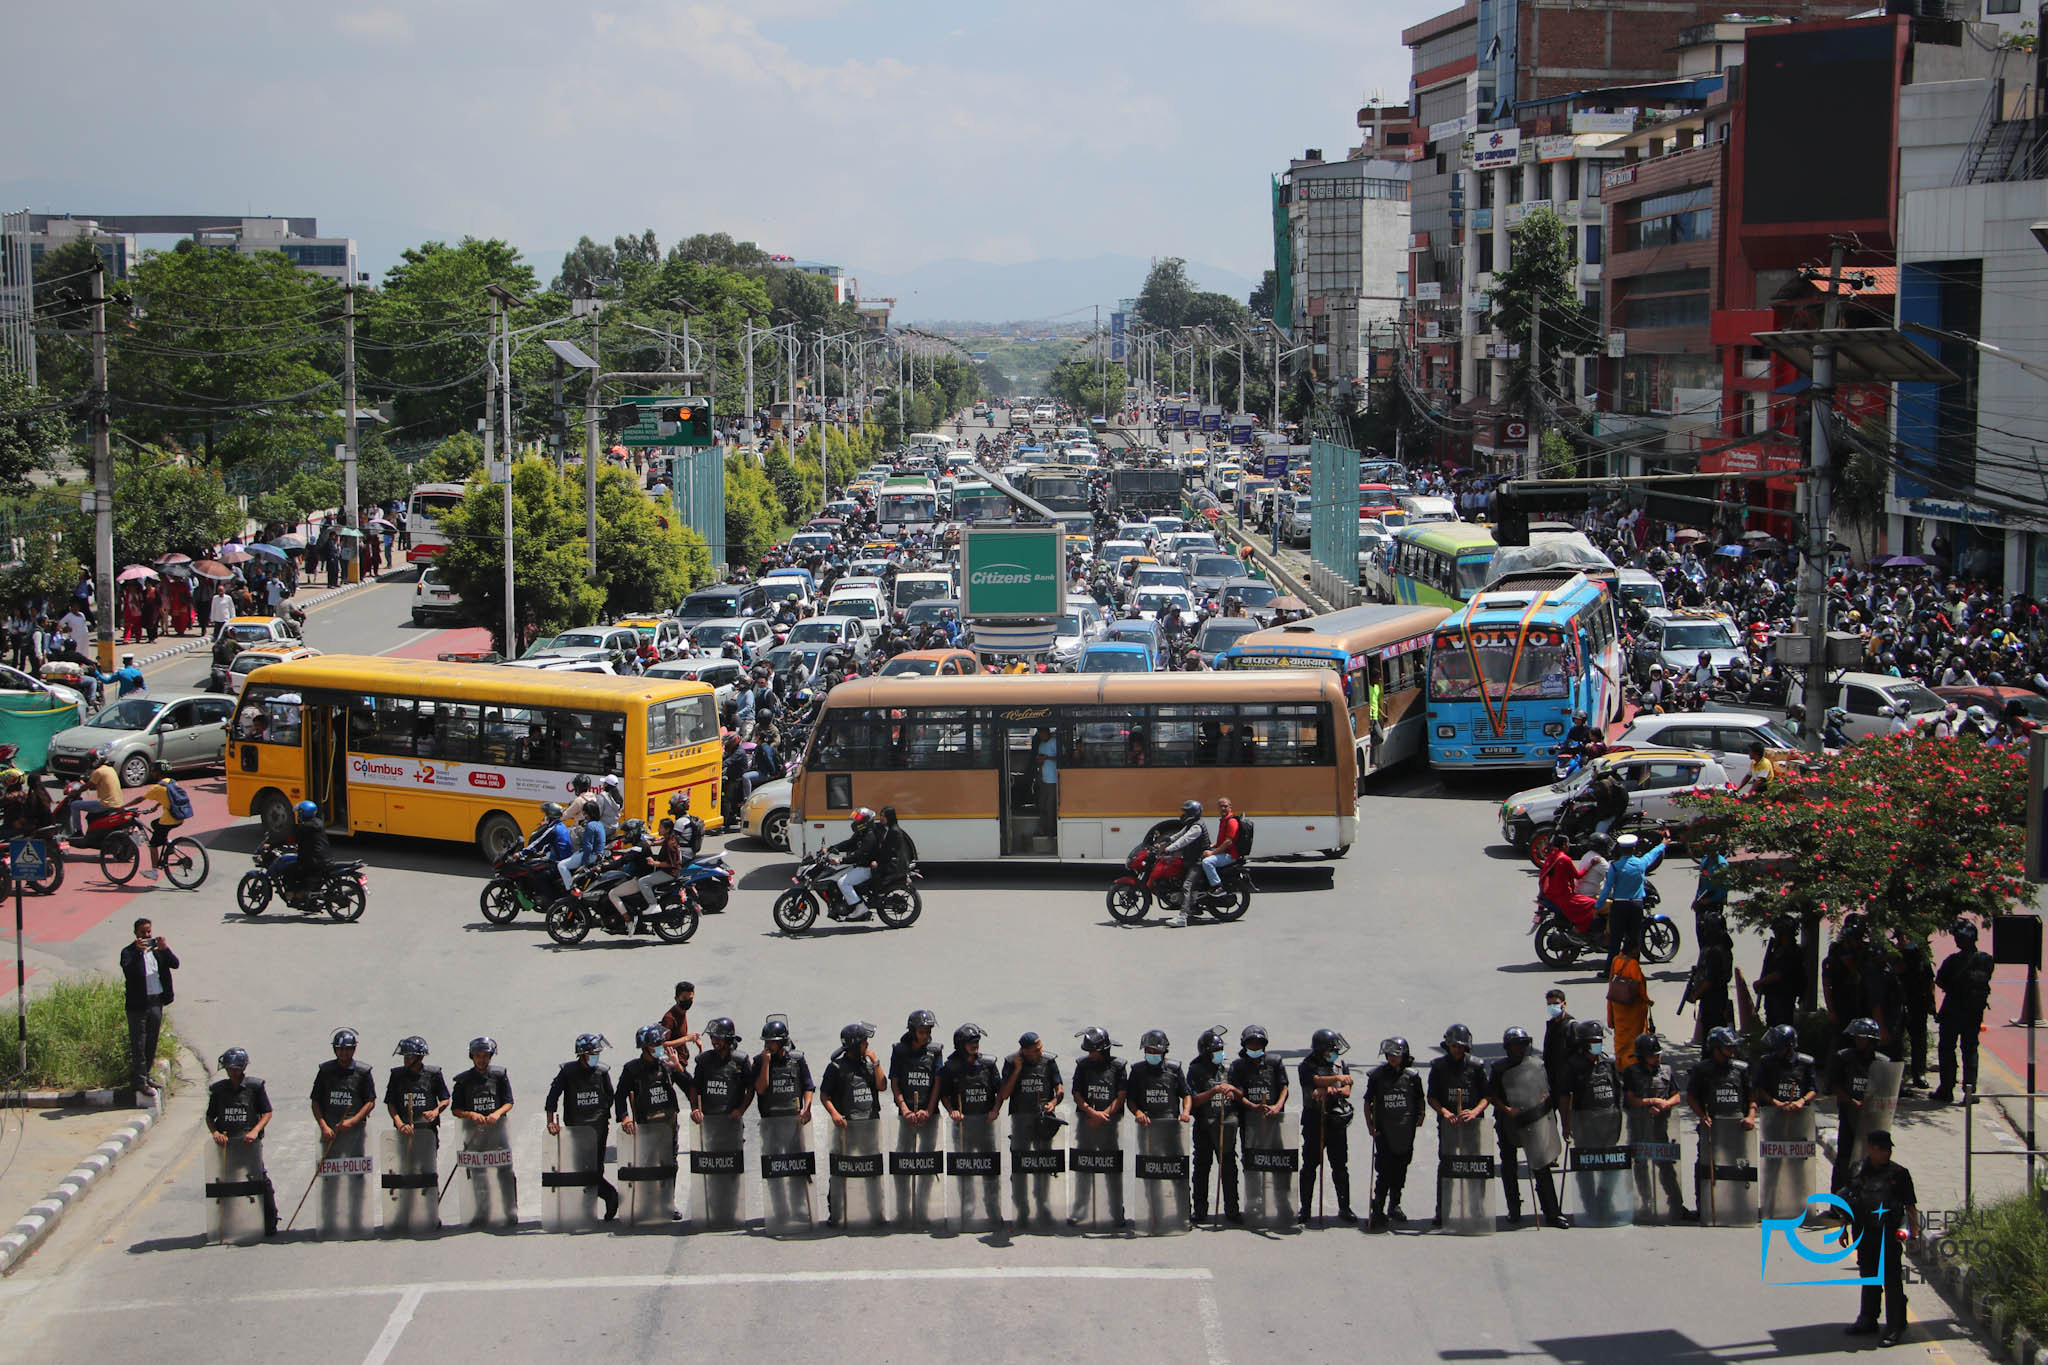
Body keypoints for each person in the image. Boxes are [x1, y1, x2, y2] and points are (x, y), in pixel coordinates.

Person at [1835, 1130, 1919, 1346]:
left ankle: (1895, 1326)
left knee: (1891, 1280)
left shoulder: (1899, 1174)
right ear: (1870, 1148)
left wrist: (1914, 1235)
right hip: (1864, 1232)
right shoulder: (1857, 1170)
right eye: (1881, 1148)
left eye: (1888, 1148)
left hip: (1888, 1234)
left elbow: (1910, 1206)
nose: (1886, 1152)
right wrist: (1843, 1228)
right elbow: (1850, 1199)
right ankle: (1867, 1319)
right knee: (1869, 1275)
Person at [1490, 1026, 1570, 1229]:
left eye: (1522, 1045)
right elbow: (1492, 1096)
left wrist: (1543, 1100)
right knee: (1509, 1166)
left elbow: (1546, 1090)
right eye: (1515, 1046)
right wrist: (1506, 1109)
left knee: (1541, 1163)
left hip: (1534, 1119)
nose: (1519, 1049)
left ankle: (1552, 1212)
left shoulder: (1537, 1065)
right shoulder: (1499, 1068)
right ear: (1508, 1048)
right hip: (1508, 1121)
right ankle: (1514, 1209)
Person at [616, 1024, 689, 1220]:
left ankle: (668, 1203)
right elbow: (620, 1096)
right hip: (646, 1126)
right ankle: (646, 1204)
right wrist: (624, 1117)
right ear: (645, 1047)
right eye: (656, 1044)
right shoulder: (632, 1070)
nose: (660, 1047)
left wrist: (678, 1067)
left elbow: (690, 1086)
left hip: (668, 1125)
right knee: (647, 1165)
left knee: (670, 1164)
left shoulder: (667, 1065)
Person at [544, 1033, 620, 1222]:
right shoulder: (568, 1072)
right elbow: (552, 1097)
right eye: (592, 1053)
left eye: (597, 1053)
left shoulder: (602, 1072)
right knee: (581, 1168)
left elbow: (610, 1096)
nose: (596, 1057)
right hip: (576, 1129)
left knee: (596, 1168)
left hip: (599, 1128)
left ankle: (591, 1206)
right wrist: (551, 1121)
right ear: (582, 1054)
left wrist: (600, 1113)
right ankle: (610, 1194)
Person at [995, 1030, 1066, 1226]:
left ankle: (1043, 1206)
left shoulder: (1048, 1062)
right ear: (1025, 1051)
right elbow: (1005, 1093)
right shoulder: (1011, 1062)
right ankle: (1021, 1209)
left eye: (1041, 1046)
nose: (1040, 1051)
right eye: (1035, 1049)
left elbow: (1059, 1089)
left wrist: (1053, 1102)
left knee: (1044, 1163)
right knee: (1021, 1164)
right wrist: (1018, 1069)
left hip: (1043, 1120)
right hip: (1021, 1119)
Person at [206, 1046, 278, 1236]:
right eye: (229, 1069)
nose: (232, 1073)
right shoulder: (219, 1090)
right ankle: (225, 1224)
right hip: (228, 1146)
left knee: (260, 1181)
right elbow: (209, 1117)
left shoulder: (255, 1087)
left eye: (235, 1069)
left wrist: (255, 1131)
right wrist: (215, 1133)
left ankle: (270, 1222)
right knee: (226, 1184)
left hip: (249, 1146)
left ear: (243, 1068)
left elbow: (267, 1113)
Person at [1621, 1035, 1694, 1220]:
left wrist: (1665, 1104)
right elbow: (1629, 1099)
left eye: (1658, 1054)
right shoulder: (1631, 1072)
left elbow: (1677, 1096)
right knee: (1641, 1166)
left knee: (1666, 1166)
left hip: (1661, 1128)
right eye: (1652, 1055)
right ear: (1642, 1056)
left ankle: (1676, 1205)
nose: (1657, 1058)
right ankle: (1645, 1203)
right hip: (1638, 1127)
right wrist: (1650, 1102)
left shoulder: (1666, 1071)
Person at [819, 1022, 885, 1226]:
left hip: (869, 1126)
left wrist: (876, 1063)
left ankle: (875, 1212)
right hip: (846, 1128)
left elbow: (882, 1086)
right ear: (856, 1045)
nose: (868, 1045)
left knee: (871, 1171)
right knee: (841, 1171)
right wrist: (835, 1114)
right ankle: (836, 1213)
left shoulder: (868, 1064)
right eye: (865, 1042)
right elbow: (824, 1095)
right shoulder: (836, 1067)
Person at [1427, 1023, 1490, 1229]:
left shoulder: (1477, 1066)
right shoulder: (1438, 1067)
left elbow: (1487, 1096)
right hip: (1449, 1125)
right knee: (1447, 1167)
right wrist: (1445, 1113)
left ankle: (1477, 1210)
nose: (1457, 1050)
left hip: (1472, 1125)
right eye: (1454, 1046)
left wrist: (1475, 1112)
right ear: (1447, 1045)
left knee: (1474, 1167)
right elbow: (1432, 1097)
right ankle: (1442, 1212)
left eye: (1461, 1046)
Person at [1068, 1025, 1130, 1229]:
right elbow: (1076, 1093)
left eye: (1093, 1051)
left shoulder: (1119, 1067)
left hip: (1109, 1126)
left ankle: (1115, 1211)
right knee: (1084, 1167)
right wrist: (1091, 1113)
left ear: (1103, 1049)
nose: (1090, 1055)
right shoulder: (1083, 1065)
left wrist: (1104, 1115)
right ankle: (1080, 1210)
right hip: (1086, 1123)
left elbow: (1121, 1096)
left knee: (1111, 1168)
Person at [1363, 1036, 1423, 1231]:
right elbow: (1367, 1102)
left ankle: (1394, 1205)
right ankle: (1378, 1208)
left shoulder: (1412, 1077)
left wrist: (1421, 1116)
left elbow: (1420, 1099)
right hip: (1384, 1132)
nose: (1392, 1058)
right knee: (1384, 1171)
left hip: (1405, 1131)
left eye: (1396, 1055)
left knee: (1401, 1168)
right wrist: (1370, 1126)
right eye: (1389, 1055)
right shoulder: (1377, 1076)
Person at [1933, 919, 1996, 1105]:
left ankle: (1946, 1089)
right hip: (1974, 1012)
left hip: (1953, 1010)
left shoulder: (1953, 961)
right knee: (1970, 1049)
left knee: (1947, 1049)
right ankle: (1970, 1090)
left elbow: (1940, 981)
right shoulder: (1986, 960)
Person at [1298, 1027, 1355, 1224]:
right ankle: (1305, 1209)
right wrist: (1335, 1081)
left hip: (1336, 1121)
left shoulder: (1340, 1064)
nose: (1335, 1054)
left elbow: (1347, 1090)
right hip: (1314, 1121)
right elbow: (1314, 1081)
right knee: (1309, 1166)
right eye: (1331, 1050)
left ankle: (1345, 1208)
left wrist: (1330, 1090)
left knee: (1340, 1166)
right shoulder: (1306, 1065)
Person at [1185, 1025, 1240, 1224]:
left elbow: (1240, 1096)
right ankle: (1199, 1209)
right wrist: (1213, 1092)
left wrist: (1232, 1090)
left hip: (1226, 1125)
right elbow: (1192, 1100)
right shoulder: (1195, 1071)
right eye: (1215, 1052)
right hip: (1204, 1126)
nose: (1219, 1055)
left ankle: (1232, 1209)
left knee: (1229, 1167)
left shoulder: (1228, 1069)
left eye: (1220, 1051)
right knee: (1201, 1167)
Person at [1830, 1018, 1891, 1190]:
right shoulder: (1844, 1058)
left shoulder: (1883, 1062)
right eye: (1856, 1037)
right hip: (1849, 1115)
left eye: (1861, 1038)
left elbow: (1888, 1090)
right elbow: (1835, 1085)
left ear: (1871, 1040)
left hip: (1874, 1120)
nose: (1857, 1041)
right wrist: (1852, 1102)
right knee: (1845, 1158)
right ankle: (1838, 1202)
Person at [119, 917, 176, 1098]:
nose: (147, 935)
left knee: (151, 1041)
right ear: (136, 933)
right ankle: (140, 1081)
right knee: (139, 1043)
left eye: (148, 932)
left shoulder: (157, 952)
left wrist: (165, 949)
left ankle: (147, 1076)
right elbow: (128, 970)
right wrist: (137, 953)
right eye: (143, 932)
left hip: (155, 1002)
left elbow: (175, 964)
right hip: (138, 1006)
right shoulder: (128, 952)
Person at [1595, 829, 1667, 966]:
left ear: (1621, 850)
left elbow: (1606, 889)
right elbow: (1652, 854)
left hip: (1619, 906)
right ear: (1634, 848)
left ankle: (1610, 969)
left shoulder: (1615, 867)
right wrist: (1663, 844)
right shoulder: (1641, 864)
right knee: (1633, 939)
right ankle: (1633, 970)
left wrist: (1598, 906)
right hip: (1636, 905)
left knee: (1615, 940)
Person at [1172, 795, 1240, 928]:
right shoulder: (1223, 820)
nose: (1223, 808)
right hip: (1223, 852)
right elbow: (1222, 840)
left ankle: (1217, 887)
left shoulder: (1231, 821)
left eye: (1225, 806)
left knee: (1206, 862)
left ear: (1230, 807)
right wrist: (1213, 845)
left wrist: (1212, 852)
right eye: (1221, 806)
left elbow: (1229, 842)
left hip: (1230, 855)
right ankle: (1194, 905)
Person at [309, 1026, 377, 1148]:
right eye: (340, 1049)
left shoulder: (363, 1072)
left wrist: (352, 1122)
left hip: (356, 1132)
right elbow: (315, 1101)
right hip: (329, 1132)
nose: (344, 1053)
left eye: (348, 1049)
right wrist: (323, 1127)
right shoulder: (325, 1071)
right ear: (335, 1049)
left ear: (354, 1049)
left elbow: (370, 1102)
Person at [689, 1017, 754, 1127]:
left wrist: (740, 1110)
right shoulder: (704, 1061)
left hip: (731, 1122)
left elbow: (751, 1088)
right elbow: (694, 1087)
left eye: (718, 1038)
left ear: (728, 1039)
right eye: (712, 1038)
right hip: (708, 1122)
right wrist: (695, 1109)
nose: (714, 1041)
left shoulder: (741, 1061)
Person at [827, 807, 883, 922]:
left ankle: (860, 908)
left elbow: (859, 854)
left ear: (866, 821)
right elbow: (849, 843)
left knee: (843, 882)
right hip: (860, 865)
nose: (855, 822)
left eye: (858, 819)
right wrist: (831, 848)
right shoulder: (862, 833)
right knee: (838, 875)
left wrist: (841, 860)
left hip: (866, 868)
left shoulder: (870, 836)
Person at [449, 1037, 514, 1135]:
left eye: (485, 1056)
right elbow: (455, 1110)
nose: (481, 1060)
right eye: (478, 1056)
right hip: (472, 1134)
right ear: (472, 1057)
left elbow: (509, 1102)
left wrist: (497, 1114)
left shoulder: (499, 1076)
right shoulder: (463, 1080)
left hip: (497, 1132)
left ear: (490, 1057)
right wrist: (470, 1115)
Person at [384, 1036, 449, 1135]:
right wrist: (400, 1124)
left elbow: (445, 1099)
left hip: (428, 1131)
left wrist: (435, 1112)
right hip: (404, 1131)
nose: (406, 1060)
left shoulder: (433, 1075)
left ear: (420, 1057)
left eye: (409, 1057)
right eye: (405, 1056)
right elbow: (390, 1103)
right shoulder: (397, 1076)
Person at [1539, 838, 1599, 932]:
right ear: (1564, 845)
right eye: (1568, 843)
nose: (1569, 845)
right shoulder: (1565, 859)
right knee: (1594, 903)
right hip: (1563, 896)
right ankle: (1580, 930)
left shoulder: (1551, 856)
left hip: (1550, 894)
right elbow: (1578, 876)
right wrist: (1590, 864)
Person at [1755, 916, 1804, 1030]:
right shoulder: (1778, 949)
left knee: (1781, 1029)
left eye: (1777, 932)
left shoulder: (1791, 952)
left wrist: (1761, 982)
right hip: (1774, 997)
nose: (1775, 934)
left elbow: (1779, 974)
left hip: (1783, 998)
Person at [73, 758, 122, 840]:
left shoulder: (99, 772)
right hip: (116, 803)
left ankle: (78, 832)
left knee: (74, 805)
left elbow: (88, 786)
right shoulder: (110, 769)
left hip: (105, 804)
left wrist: (76, 792)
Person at [660, 981, 698, 1073]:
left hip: (681, 1062)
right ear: (676, 999)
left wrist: (692, 1037)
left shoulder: (682, 1013)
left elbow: (676, 1035)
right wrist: (686, 1038)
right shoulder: (669, 1018)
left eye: (691, 998)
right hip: (673, 1065)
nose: (688, 1001)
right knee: (691, 1087)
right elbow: (663, 1045)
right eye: (685, 998)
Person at [1033, 726, 1059, 839]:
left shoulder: (1055, 742)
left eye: (1042, 733)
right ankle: (1043, 829)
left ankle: (1052, 830)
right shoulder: (1041, 744)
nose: (1040, 736)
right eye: (1039, 734)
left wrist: (1048, 758)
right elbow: (1038, 760)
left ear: (1047, 733)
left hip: (1053, 780)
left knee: (1050, 806)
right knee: (1042, 805)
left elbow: (1061, 757)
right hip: (1043, 779)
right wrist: (1039, 760)